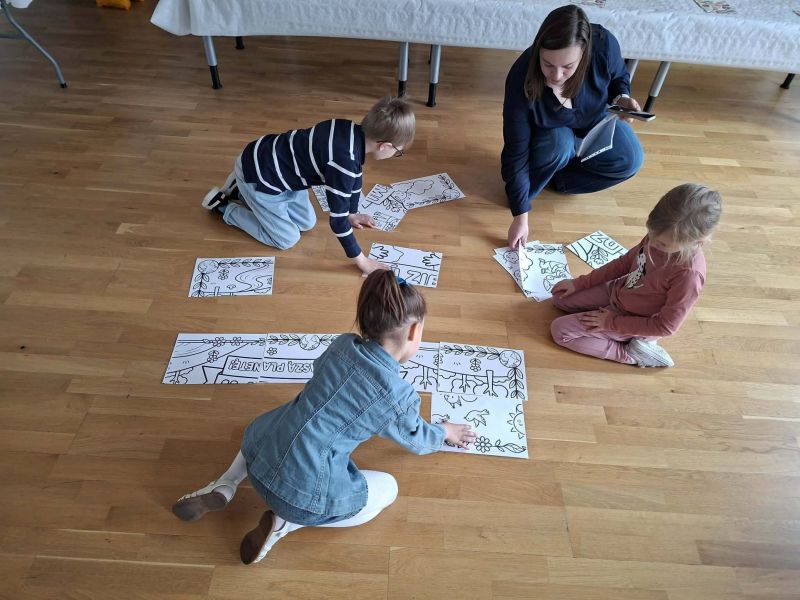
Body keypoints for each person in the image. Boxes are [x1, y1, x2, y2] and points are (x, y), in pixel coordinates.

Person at [170, 270, 476, 564]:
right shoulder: (398, 397)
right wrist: (444, 431)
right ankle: (284, 524)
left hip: (258, 456)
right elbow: (417, 439)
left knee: (277, 423)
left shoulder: (342, 344)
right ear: (413, 331)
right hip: (299, 495)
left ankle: (226, 484)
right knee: (389, 489)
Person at [202, 97, 414, 274]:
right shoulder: (344, 162)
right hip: (261, 177)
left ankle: (241, 187)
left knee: (307, 223)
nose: (396, 154)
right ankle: (225, 206)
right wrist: (363, 261)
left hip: (280, 169)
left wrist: (352, 213)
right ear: (385, 146)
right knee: (287, 239)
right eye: (398, 151)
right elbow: (337, 222)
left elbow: (356, 175)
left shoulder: (349, 130)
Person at [502, 4, 645, 248]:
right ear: (538, 50)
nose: (556, 75)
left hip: (595, 122)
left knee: (631, 159)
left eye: (567, 66)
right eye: (548, 64)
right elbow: (516, 152)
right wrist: (520, 216)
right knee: (559, 145)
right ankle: (541, 177)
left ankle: (559, 179)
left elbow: (619, 76)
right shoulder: (520, 77)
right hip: (548, 139)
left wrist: (621, 97)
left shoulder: (604, 45)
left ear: (585, 54)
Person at [549, 183, 722, 368]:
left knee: (560, 331)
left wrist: (611, 322)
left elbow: (666, 326)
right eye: (650, 234)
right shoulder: (660, 234)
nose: (652, 243)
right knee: (560, 298)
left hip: (635, 320)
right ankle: (605, 316)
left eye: (662, 244)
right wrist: (580, 283)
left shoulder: (689, 275)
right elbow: (624, 263)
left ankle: (630, 353)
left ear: (699, 242)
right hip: (620, 292)